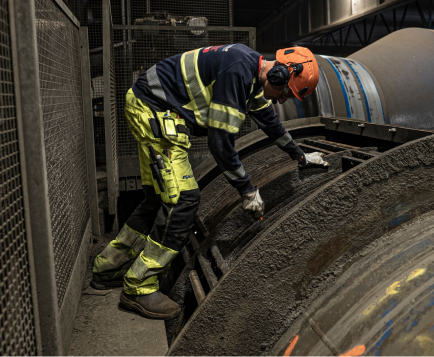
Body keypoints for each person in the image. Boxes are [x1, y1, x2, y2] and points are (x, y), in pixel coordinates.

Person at [91, 44, 329, 319]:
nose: (283, 100)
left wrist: (300, 156)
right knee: (184, 199)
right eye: (287, 92)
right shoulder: (238, 73)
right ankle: (139, 286)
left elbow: (270, 122)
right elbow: (220, 144)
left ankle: (108, 268)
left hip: (151, 104)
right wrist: (248, 190)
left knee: (157, 198)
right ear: (278, 74)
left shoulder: (251, 73)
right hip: (154, 109)